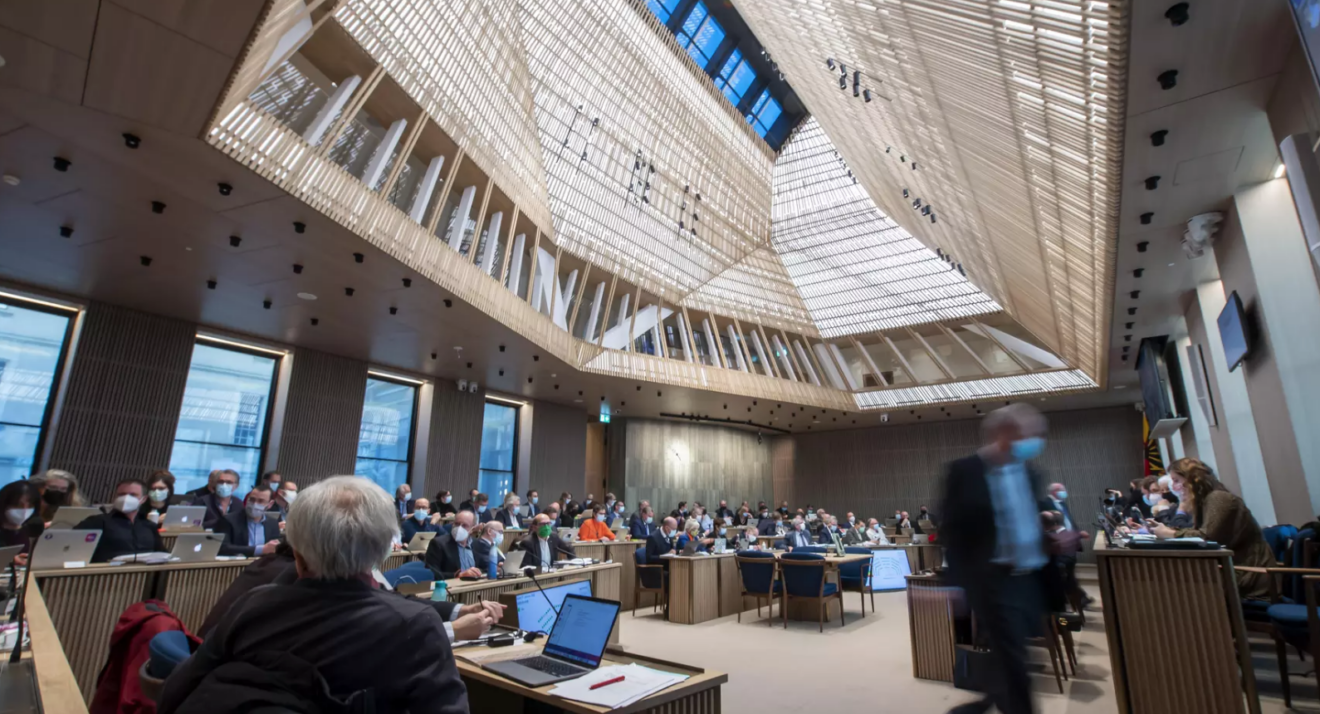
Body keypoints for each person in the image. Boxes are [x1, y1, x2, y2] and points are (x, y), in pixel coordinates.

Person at [158, 476, 469, 713]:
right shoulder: (413, 626)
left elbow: (173, 694)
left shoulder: (254, 603)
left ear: (297, 553)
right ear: (382, 552)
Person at [939, 403, 1050, 714]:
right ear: (1004, 433)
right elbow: (952, 529)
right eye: (1031, 434)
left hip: (1030, 576)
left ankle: (984, 702)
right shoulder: (965, 471)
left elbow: (1029, 519)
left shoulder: (1031, 473)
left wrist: (1053, 536)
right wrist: (956, 583)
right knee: (1015, 659)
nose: (1037, 441)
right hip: (991, 578)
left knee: (1010, 651)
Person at [1150, 458, 1273, 600]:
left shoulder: (1219, 498)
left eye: (1177, 481)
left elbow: (1205, 538)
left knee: (1174, 588)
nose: (1174, 487)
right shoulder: (1205, 501)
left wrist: (1169, 534)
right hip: (1230, 569)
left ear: (1192, 479)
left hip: (1247, 574)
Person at [75, 478, 165, 562]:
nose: (126, 498)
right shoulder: (96, 522)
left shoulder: (149, 526)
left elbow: (162, 554)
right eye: (121, 494)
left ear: (143, 499)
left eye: (133, 495)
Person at [215, 484, 280, 558]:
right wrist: (260, 549)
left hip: (263, 565)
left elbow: (274, 548)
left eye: (261, 501)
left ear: (270, 504)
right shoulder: (229, 520)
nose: (255, 504)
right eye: (252, 499)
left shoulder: (272, 523)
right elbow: (223, 548)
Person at [424, 510, 485, 579]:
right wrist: (458, 575)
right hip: (450, 586)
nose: (459, 528)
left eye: (464, 525)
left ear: (472, 528)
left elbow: (484, 567)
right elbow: (432, 573)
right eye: (457, 524)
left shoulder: (476, 543)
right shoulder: (438, 543)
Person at [1, 481, 39, 566]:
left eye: (30, 506)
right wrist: (8, 559)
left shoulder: (33, 531)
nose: (25, 510)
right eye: (18, 505)